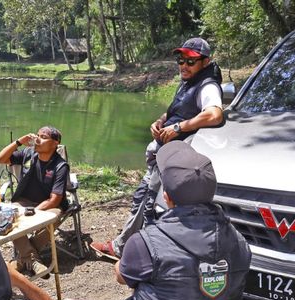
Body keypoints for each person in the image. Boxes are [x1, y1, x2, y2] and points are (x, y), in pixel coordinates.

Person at [58, 142, 251, 300]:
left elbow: (121, 276)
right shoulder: (239, 240)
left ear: (167, 197)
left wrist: (121, 260)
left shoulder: (148, 241)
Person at [91, 37, 224, 260]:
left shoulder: (208, 85)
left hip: (174, 160)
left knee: (150, 204)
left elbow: (214, 114)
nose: (184, 65)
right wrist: (161, 121)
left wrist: (179, 127)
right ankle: (126, 246)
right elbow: (179, 110)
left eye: (190, 61)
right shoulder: (189, 82)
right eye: (181, 60)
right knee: (143, 198)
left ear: (205, 61)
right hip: (163, 154)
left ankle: (143, 255)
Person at [0, 126, 69, 276]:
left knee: (53, 217)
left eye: (44, 137)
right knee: (8, 214)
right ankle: (32, 258)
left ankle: (23, 258)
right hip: (23, 201)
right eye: (38, 135)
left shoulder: (60, 166)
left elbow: (55, 200)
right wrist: (19, 142)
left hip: (49, 204)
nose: (38, 139)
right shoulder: (28, 153)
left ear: (55, 143)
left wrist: (33, 212)